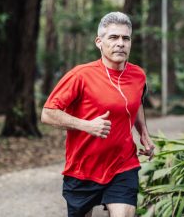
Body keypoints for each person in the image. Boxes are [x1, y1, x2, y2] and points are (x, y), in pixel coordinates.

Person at [41, 11, 155, 217]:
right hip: (83, 169)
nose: (120, 43)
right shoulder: (80, 75)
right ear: (99, 42)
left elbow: (136, 101)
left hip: (123, 165)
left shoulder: (138, 75)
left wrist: (144, 133)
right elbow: (48, 113)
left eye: (125, 38)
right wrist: (86, 125)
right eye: (113, 37)